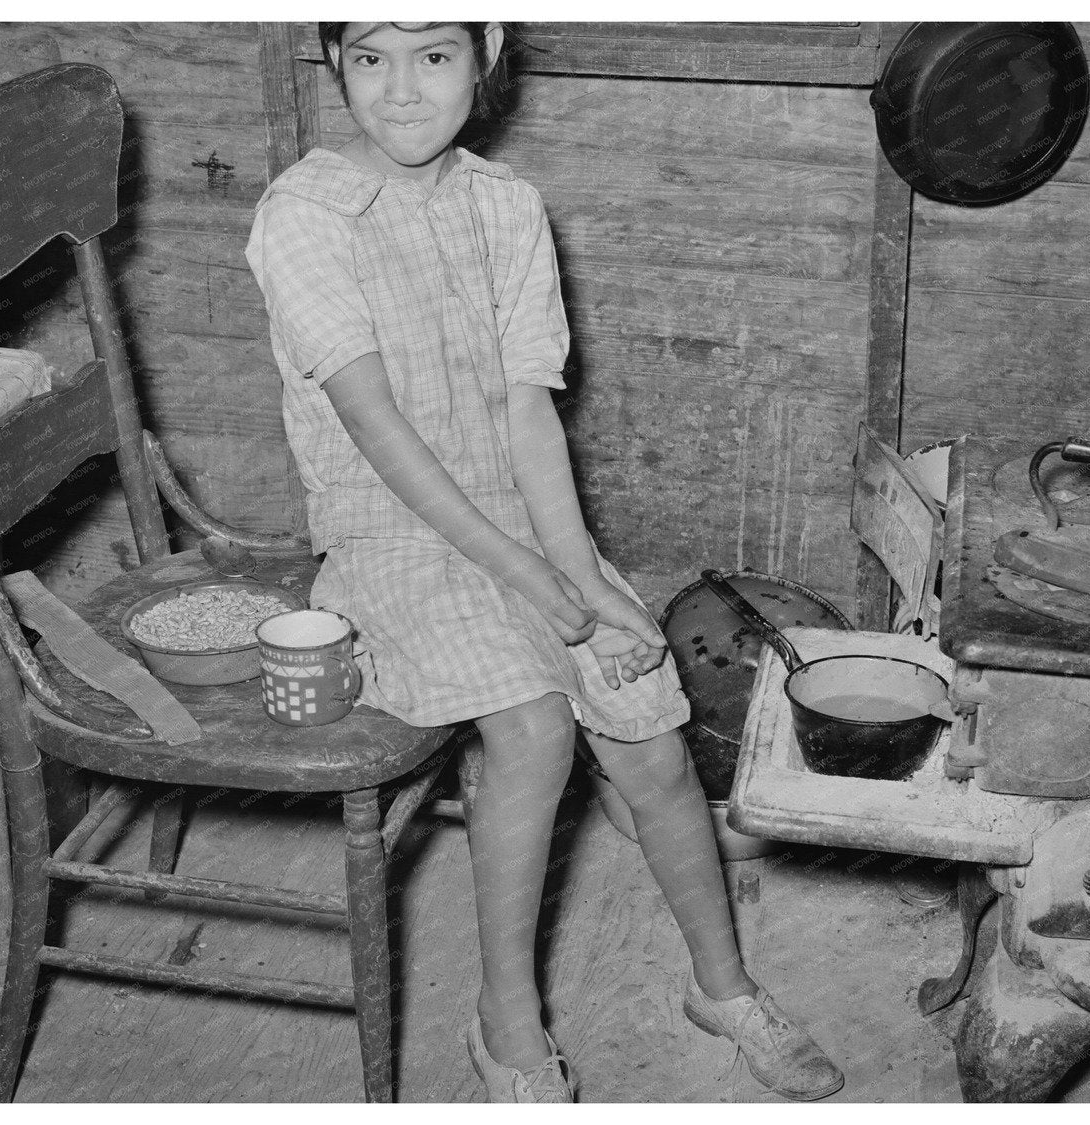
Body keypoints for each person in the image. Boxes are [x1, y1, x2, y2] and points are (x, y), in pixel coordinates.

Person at [246, 20, 843, 1103]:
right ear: (335, 65)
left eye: (433, 55)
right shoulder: (303, 215)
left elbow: (527, 419)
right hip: (394, 541)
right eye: (369, 58)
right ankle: (507, 1027)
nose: (402, 91)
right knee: (533, 725)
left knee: (650, 729)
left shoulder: (504, 205)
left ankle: (722, 984)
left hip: (523, 525)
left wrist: (585, 582)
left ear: (486, 58)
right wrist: (536, 590)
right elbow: (383, 437)